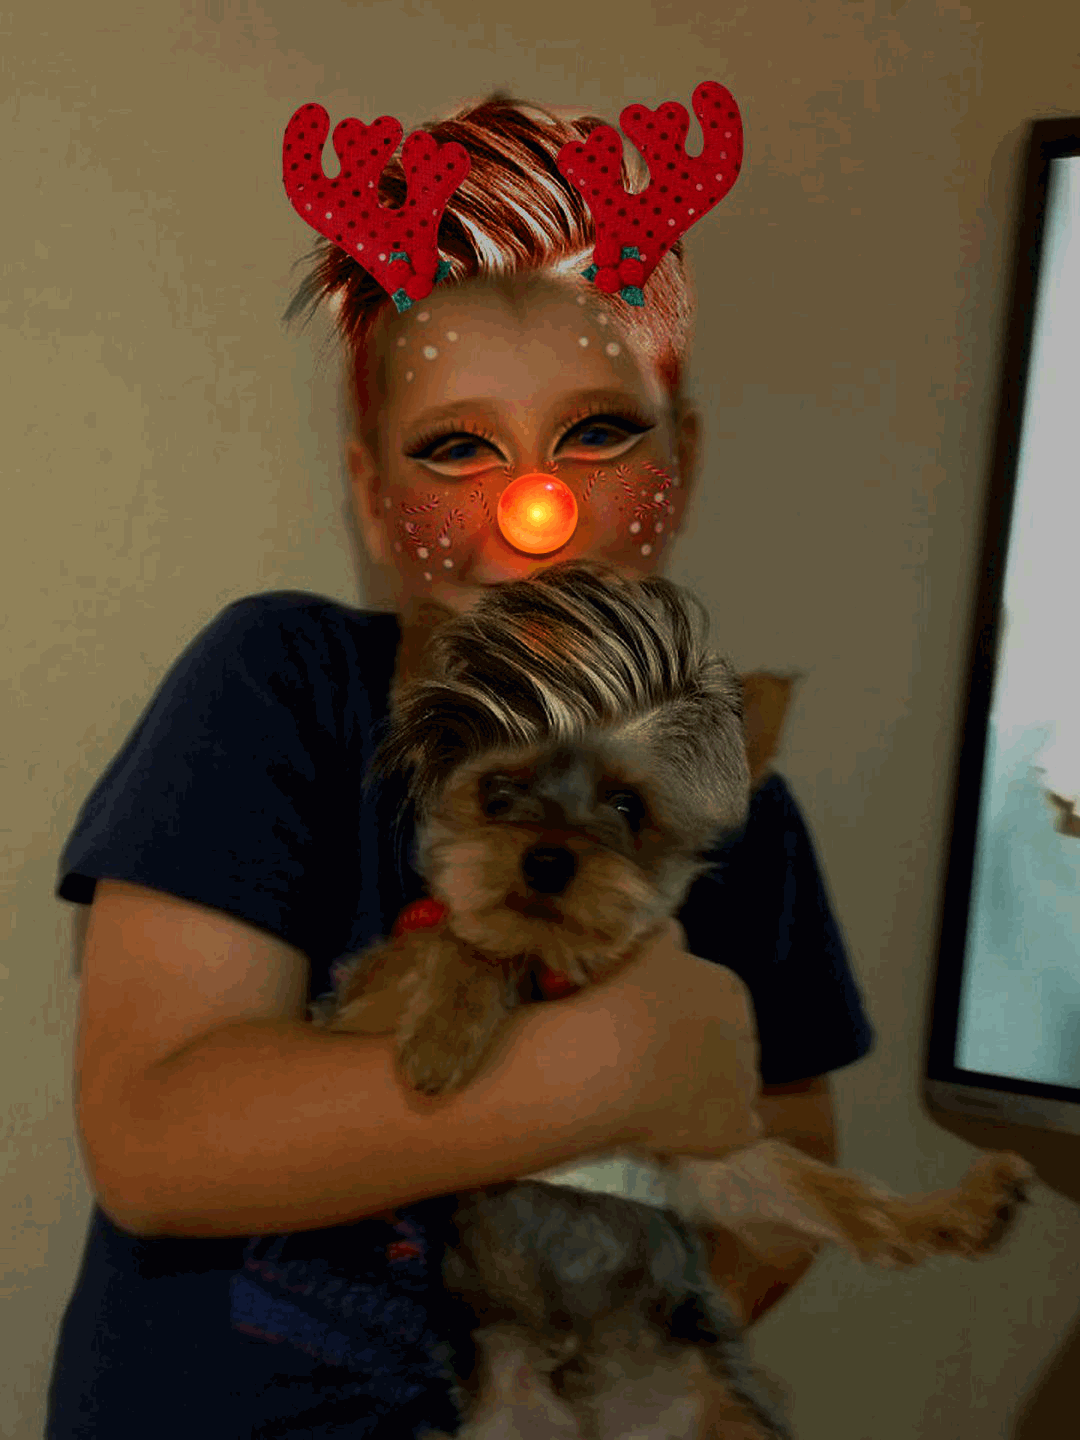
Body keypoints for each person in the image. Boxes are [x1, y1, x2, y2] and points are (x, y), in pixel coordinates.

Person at [47, 89, 876, 1439]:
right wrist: (601, 1071)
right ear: (376, 497)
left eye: (598, 435)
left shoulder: (735, 802)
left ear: (683, 460)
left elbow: (794, 1148)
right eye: (455, 448)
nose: (535, 512)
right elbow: (155, 1144)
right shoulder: (282, 687)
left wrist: (620, 1386)